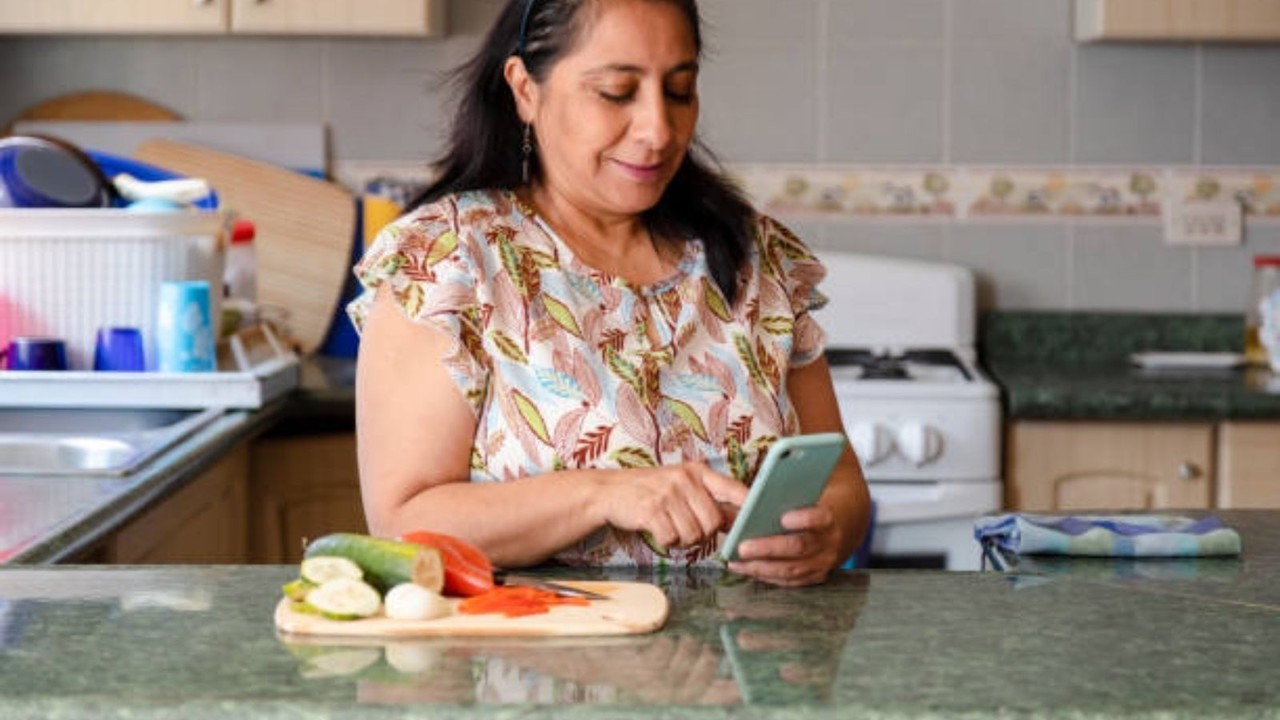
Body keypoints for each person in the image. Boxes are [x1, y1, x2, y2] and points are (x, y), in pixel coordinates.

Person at [348, 0, 871, 587]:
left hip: (748, 667)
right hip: (525, 665)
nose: (658, 129)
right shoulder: (449, 261)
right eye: (618, 92)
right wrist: (602, 493)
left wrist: (828, 530)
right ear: (525, 89)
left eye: (679, 91)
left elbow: (841, 478)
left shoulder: (758, 259)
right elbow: (401, 528)